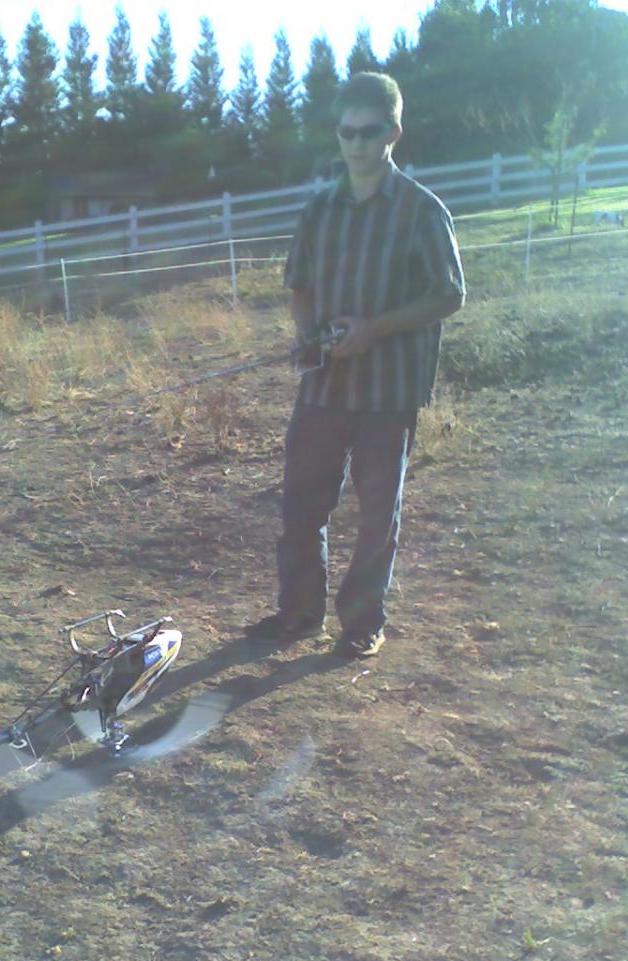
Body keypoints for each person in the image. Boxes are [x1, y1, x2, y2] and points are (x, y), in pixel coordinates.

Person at [245, 72, 465, 660]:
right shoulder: (319, 209)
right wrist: (309, 336)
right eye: (347, 132)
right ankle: (297, 614)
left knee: (376, 517)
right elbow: (299, 286)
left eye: (369, 132)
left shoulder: (422, 211)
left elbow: (449, 295)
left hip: (388, 393)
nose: (357, 144)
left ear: (394, 132)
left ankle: (363, 622)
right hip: (322, 388)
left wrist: (373, 329)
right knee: (301, 506)